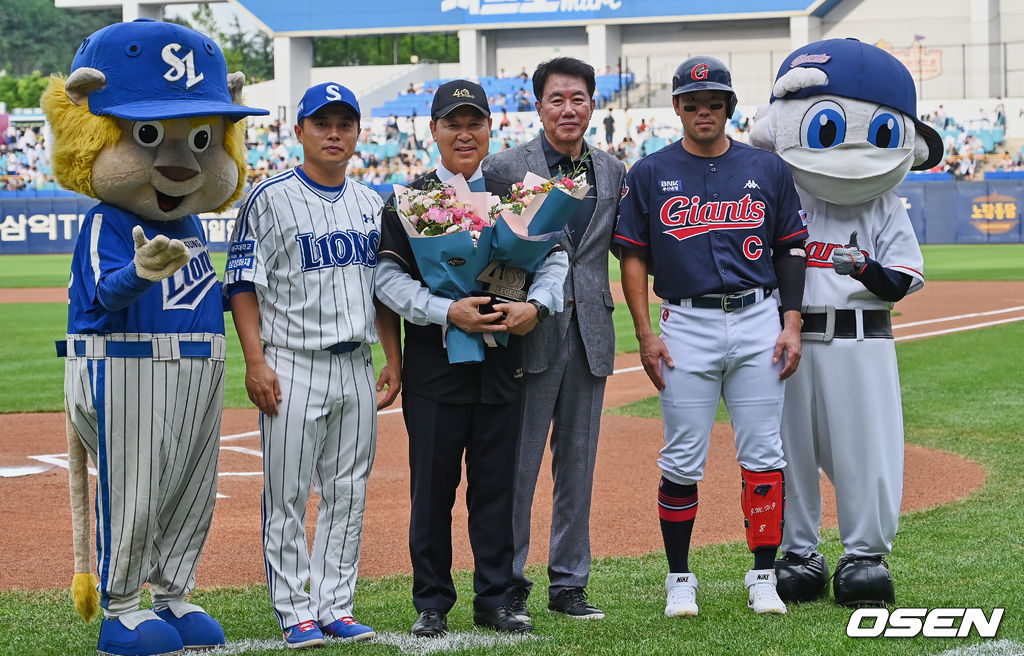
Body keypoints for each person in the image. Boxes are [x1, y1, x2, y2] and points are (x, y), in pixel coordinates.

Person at [613, 56, 807, 617]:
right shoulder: (649, 172)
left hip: (757, 318)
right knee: (681, 457)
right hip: (685, 321)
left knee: (764, 452)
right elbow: (634, 257)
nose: (704, 111)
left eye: (714, 102)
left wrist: (790, 322)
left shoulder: (766, 169)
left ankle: (763, 574)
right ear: (677, 107)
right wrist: (645, 333)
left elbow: (789, 248)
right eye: (693, 102)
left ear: (729, 107)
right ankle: (679, 578)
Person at [376, 79, 567, 638]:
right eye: (452, 123)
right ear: (432, 131)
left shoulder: (518, 192)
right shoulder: (410, 199)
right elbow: (387, 279)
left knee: (496, 487)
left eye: (474, 121)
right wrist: (443, 310)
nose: (465, 133)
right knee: (431, 489)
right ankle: (431, 600)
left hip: (504, 358)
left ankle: (497, 598)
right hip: (436, 363)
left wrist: (537, 304)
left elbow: (554, 258)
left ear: (490, 127)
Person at [224, 82, 402, 649]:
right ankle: (294, 609)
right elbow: (242, 284)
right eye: (321, 123)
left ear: (356, 133)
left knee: (349, 492)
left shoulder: (372, 203)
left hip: (356, 362)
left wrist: (392, 357)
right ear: (298, 131)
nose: (333, 133)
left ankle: (335, 605)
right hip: (292, 361)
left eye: (343, 124)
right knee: (288, 492)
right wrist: (255, 361)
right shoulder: (269, 197)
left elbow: (383, 292)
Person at [483, 57, 627, 622]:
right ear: (538, 105)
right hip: (529, 335)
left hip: (590, 334)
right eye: (556, 99)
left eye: (578, 99)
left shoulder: (613, 171)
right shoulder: (503, 168)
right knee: (517, 469)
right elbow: (483, 249)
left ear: (593, 104)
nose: (568, 109)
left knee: (578, 467)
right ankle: (510, 583)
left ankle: (569, 584)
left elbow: (625, 251)